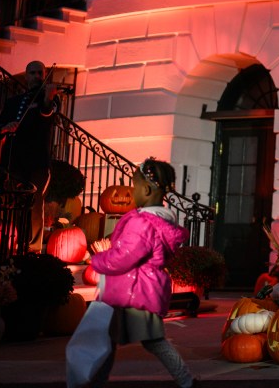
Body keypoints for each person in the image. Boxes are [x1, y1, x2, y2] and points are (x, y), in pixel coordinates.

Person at [67, 158, 195, 388]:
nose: (131, 192)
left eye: (134, 186)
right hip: (133, 291)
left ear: (146, 189)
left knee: (153, 341)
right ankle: (95, 381)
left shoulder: (142, 223)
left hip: (134, 294)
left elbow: (125, 256)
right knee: (106, 338)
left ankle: (186, 381)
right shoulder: (159, 220)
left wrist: (96, 260)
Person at [0, 60, 60, 251]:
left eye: (40, 73)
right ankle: (10, 245)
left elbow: (47, 113)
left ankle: (33, 249)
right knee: (11, 202)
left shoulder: (48, 98)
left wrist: (48, 97)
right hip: (13, 160)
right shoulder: (12, 102)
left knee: (35, 201)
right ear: (26, 76)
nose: (37, 77)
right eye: (33, 73)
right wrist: (5, 128)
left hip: (37, 161)